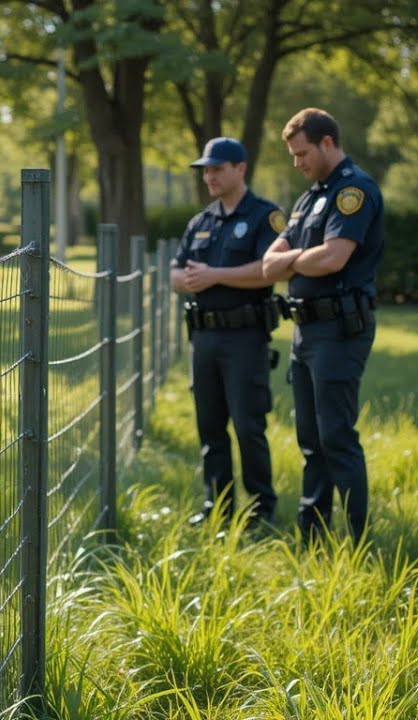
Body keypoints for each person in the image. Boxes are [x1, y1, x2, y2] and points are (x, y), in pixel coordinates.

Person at [262, 108, 384, 544]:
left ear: (328, 142)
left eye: (302, 153)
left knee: (336, 436)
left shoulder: (354, 190)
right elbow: (266, 263)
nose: (297, 163)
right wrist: (297, 260)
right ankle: (312, 537)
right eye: (293, 156)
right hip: (305, 330)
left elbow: (334, 258)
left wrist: (291, 260)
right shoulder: (310, 197)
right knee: (311, 440)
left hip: (339, 329)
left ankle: (357, 539)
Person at [172, 137, 286, 530]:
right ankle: (217, 507)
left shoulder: (265, 217)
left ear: (241, 168)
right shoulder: (201, 222)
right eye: (206, 169)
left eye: (217, 168)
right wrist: (190, 281)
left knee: (248, 425)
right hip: (203, 339)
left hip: (244, 338)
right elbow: (175, 275)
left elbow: (270, 270)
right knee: (209, 426)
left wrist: (213, 276)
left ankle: (260, 511)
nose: (209, 176)